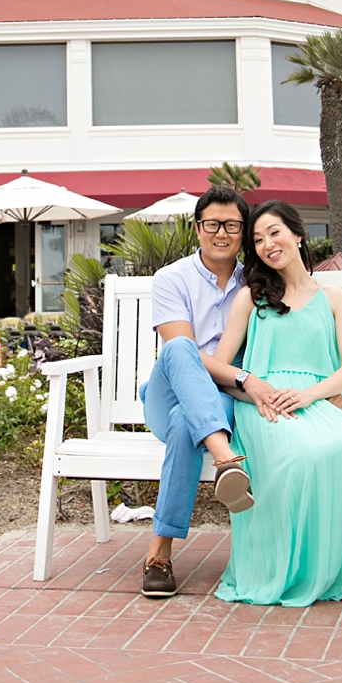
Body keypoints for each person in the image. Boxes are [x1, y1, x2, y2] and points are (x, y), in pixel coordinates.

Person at [213, 200, 342, 606]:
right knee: (301, 454)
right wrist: (254, 392)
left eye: (274, 232)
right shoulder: (250, 299)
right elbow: (220, 368)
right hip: (263, 406)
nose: (267, 244)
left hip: (316, 402)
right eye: (257, 239)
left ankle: (333, 571)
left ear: (297, 234)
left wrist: (311, 394)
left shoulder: (333, 297)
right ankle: (282, 569)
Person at [139, 185, 285, 598]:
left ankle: (160, 553)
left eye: (232, 226)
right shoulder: (172, 278)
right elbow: (178, 351)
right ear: (198, 228)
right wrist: (245, 378)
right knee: (184, 348)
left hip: (215, 405)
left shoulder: (256, 281)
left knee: (189, 422)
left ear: (244, 231)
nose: (221, 233)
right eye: (212, 224)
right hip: (166, 393)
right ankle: (225, 458)